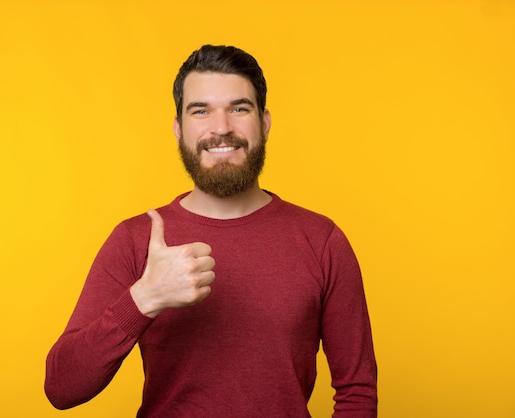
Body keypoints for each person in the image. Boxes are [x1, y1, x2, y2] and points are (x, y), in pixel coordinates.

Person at [45, 44, 377, 417]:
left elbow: (356, 393)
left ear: (264, 123)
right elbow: (62, 387)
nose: (221, 128)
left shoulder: (322, 241)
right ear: (179, 128)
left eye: (239, 108)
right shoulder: (134, 241)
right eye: (200, 111)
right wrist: (143, 299)